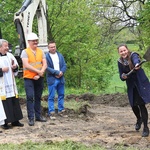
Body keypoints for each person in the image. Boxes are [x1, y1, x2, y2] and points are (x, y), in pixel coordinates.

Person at [117, 44, 150, 137]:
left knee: (141, 105)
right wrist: (123, 76)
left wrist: (136, 64)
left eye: (124, 50)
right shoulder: (120, 62)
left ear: (127, 50)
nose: (123, 52)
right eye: (121, 51)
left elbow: (136, 60)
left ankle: (146, 128)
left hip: (140, 83)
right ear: (119, 53)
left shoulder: (133, 55)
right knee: (133, 105)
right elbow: (121, 74)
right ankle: (138, 119)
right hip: (131, 85)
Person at [21, 32, 47, 126]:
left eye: (36, 40)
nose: (35, 42)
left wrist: (40, 74)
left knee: (38, 97)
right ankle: (31, 117)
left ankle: (38, 116)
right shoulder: (25, 52)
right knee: (30, 97)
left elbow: (45, 64)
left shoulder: (41, 51)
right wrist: (38, 71)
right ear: (29, 42)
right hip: (29, 78)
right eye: (33, 41)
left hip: (39, 78)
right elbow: (26, 65)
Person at [0, 39, 24, 129]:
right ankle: (4, 122)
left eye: (7, 46)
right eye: (5, 46)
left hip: (11, 82)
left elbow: (16, 67)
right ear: (0, 47)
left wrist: (14, 67)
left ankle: (15, 120)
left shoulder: (10, 55)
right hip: (2, 84)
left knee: (13, 101)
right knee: (4, 103)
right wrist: (1, 70)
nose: (7, 48)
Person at [46, 41, 67, 119]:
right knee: (51, 96)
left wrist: (61, 72)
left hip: (61, 78)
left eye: (54, 46)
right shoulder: (46, 57)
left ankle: (61, 110)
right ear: (48, 48)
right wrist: (56, 72)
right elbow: (46, 67)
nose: (53, 48)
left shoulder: (60, 55)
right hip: (52, 79)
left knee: (61, 95)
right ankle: (51, 112)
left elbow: (64, 65)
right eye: (51, 47)